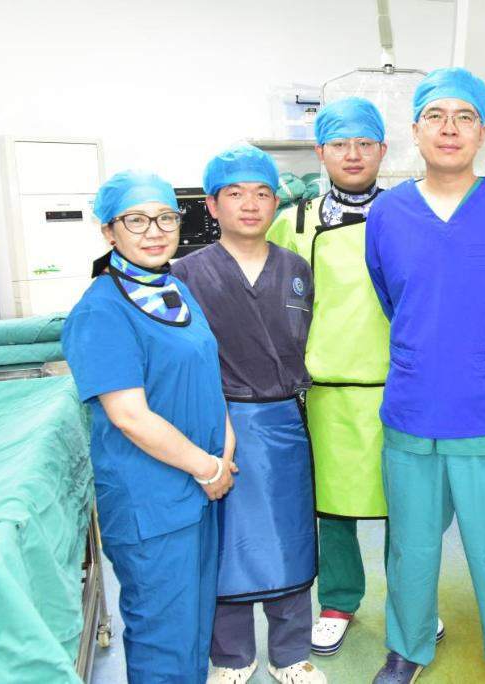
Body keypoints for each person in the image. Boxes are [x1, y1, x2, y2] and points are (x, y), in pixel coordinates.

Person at [365, 66, 485, 684]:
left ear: (482, 132)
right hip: (413, 408)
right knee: (411, 548)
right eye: (436, 117)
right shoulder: (388, 213)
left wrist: (480, 351)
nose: (450, 128)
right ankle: (407, 648)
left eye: (464, 117)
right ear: (416, 129)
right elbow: (393, 297)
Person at [267, 97, 444, 656]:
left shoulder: (413, 213)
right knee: (334, 508)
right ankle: (338, 602)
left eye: (364, 143)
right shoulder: (295, 222)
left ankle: (412, 602)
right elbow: (274, 306)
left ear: (383, 150)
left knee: (408, 506)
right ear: (321, 152)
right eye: (339, 144)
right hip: (328, 390)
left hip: (403, 385)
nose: (352, 154)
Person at [62, 171, 235, 684]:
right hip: (153, 502)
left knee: (195, 626)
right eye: (136, 220)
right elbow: (129, 416)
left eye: (165, 218)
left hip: (201, 489)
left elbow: (207, 374)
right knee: (164, 636)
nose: (154, 231)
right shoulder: (101, 311)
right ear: (108, 231)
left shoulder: (174, 287)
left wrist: (224, 450)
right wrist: (208, 468)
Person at [172, 145, 323, 684]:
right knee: (226, 545)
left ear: (276, 203)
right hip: (217, 422)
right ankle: (232, 657)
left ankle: (291, 654)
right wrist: (213, 426)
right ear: (212, 205)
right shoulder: (185, 274)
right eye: (235, 194)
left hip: (285, 423)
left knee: (289, 538)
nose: (251, 204)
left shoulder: (297, 269)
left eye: (262, 193)